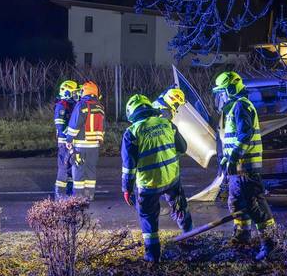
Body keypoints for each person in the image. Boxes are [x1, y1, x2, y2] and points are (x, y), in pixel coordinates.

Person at [121, 94, 193, 263]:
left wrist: (126, 189)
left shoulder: (131, 133)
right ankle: (191, 239)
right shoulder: (167, 123)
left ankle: (153, 256)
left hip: (149, 184)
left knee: (148, 218)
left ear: (131, 113)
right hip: (171, 178)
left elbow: (129, 166)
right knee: (180, 208)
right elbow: (183, 148)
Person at [212, 71, 276, 260]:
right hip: (237, 171)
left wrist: (233, 158)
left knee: (255, 205)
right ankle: (242, 236)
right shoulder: (233, 109)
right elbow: (233, 139)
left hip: (246, 169)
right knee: (237, 203)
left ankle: (270, 243)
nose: (220, 98)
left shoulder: (241, 106)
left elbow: (245, 134)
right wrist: (227, 159)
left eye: (221, 93)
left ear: (231, 89)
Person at [66, 81, 105, 200]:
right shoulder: (100, 107)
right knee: (91, 170)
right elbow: (102, 127)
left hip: (81, 145)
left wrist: (69, 139)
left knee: (78, 170)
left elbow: (75, 124)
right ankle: (89, 194)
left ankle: (78, 196)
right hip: (94, 146)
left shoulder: (82, 105)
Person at [54, 80, 79, 198]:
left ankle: (69, 192)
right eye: (73, 92)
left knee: (70, 167)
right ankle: (59, 193)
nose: (75, 95)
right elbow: (60, 125)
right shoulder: (62, 105)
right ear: (67, 92)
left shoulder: (71, 105)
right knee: (64, 167)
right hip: (64, 142)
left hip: (69, 141)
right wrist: (69, 136)